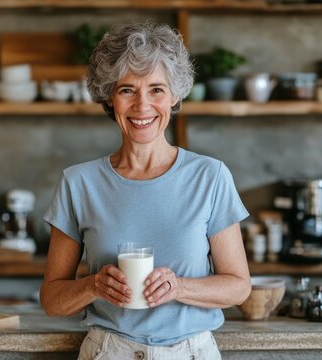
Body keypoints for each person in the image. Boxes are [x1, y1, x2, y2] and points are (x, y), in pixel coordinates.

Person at [41, 22, 251, 360]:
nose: (142, 105)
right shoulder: (78, 183)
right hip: (109, 352)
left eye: (156, 89)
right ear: (110, 96)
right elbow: (52, 300)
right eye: (127, 90)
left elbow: (239, 287)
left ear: (175, 95)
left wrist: (179, 287)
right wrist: (93, 285)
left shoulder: (210, 177)